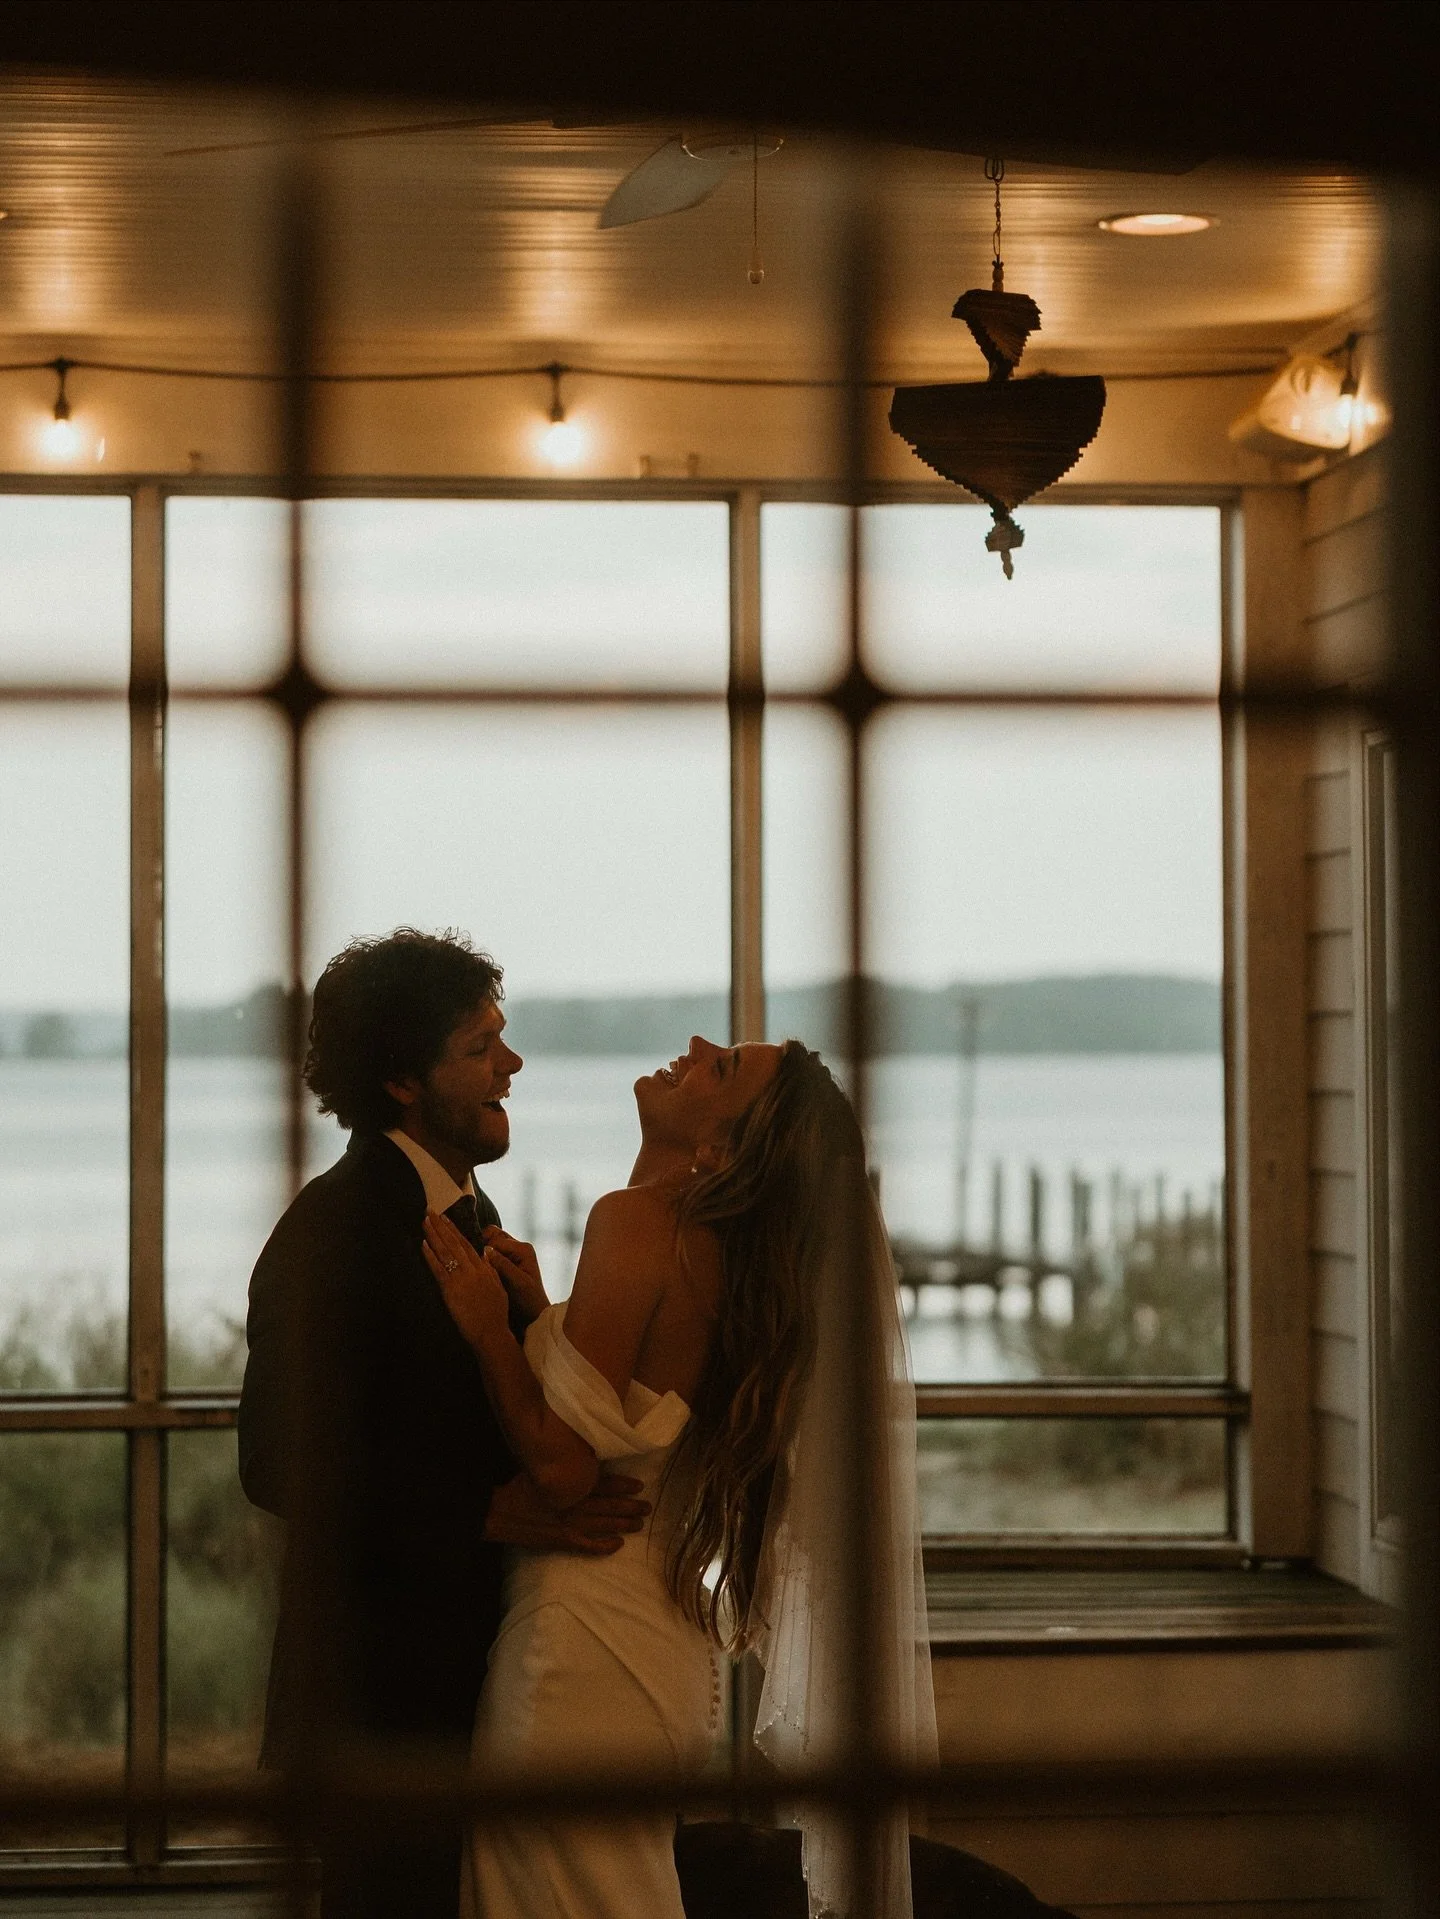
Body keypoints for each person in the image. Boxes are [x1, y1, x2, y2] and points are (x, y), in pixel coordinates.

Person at [426, 1033, 937, 1919]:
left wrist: (491, 1333)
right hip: (659, 1650)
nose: (697, 1046)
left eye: (723, 1066)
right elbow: (647, 1405)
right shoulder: (733, 1271)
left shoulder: (633, 1221)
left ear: (724, 1146)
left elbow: (562, 1467)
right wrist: (548, 1314)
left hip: (578, 1644)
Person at [237, 929, 651, 1919]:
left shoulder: (476, 1213)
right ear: (402, 1079)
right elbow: (275, 1461)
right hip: (378, 1697)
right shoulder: (332, 1228)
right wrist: (490, 1511)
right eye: (480, 1045)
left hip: (482, 1678)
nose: (511, 1062)